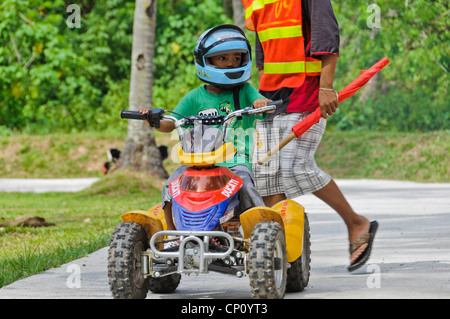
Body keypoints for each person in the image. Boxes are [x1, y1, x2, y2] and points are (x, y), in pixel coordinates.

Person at [243, 0, 378, 271]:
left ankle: (356, 222)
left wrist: (326, 87)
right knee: (266, 179)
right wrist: (257, 98)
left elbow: (327, 36)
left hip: (306, 94)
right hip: (269, 99)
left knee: (295, 167)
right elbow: (262, 53)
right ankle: (280, 258)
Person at [139, 24, 270, 230]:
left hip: (234, 161)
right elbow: (171, 123)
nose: (230, 63)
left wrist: (261, 104)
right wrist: (154, 120)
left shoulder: (245, 91)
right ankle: (174, 235)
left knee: (244, 185)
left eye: (236, 58)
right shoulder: (193, 97)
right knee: (170, 187)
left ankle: (261, 228)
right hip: (195, 163)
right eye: (222, 58)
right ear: (205, 61)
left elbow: (263, 106)